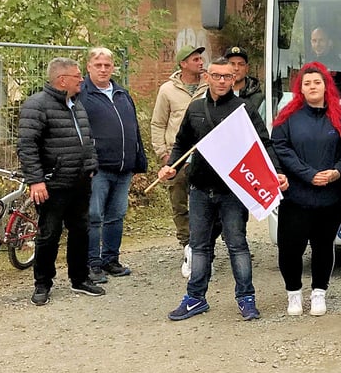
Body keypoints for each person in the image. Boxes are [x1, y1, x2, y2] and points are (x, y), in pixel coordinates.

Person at [159, 58, 287, 321]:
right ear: (207, 76)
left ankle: (246, 298)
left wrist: (276, 171)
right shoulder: (195, 109)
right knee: (199, 246)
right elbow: (182, 143)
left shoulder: (243, 110)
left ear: (234, 78)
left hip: (233, 191)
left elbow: (263, 144)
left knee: (237, 245)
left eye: (227, 76)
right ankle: (195, 298)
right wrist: (171, 165)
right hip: (200, 189)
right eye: (216, 75)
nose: (221, 81)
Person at [18, 57, 103, 305]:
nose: (82, 80)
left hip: (79, 182)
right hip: (52, 184)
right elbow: (27, 146)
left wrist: (91, 165)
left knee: (80, 230)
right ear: (62, 79)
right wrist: (35, 181)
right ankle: (42, 283)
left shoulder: (76, 105)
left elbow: (87, 139)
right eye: (78, 76)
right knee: (49, 234)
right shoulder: (37, 105)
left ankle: (80, 279)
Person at [271, 62, 341, 316]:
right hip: (296, 194)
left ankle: (319, 292)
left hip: (332, 194)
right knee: (290, 246)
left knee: (323, 244)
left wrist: (337, 171)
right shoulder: (287, 116)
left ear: (326, 85)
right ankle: (294, 293)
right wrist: (308, 174)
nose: (313, 86)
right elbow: (280, 148)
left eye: (317, 82)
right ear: (300, 88)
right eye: (307, 83)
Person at [79, 47, 147, 283]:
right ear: (88, 67)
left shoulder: (121, 93)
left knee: (116, 215)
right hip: (97, 169)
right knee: (94, 216)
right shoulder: (82, 96)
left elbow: (134, 130)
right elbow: (78, 134)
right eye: (98, 65)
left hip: (123, 167)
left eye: (107, 65)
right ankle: (92, 264)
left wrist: (138, 160)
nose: (103, 69)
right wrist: (86, 164)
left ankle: (110, 259)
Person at [151, 45, 208, 276]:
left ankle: (203, 247)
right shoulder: (167, 90)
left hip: (205, 158)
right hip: (178, 157)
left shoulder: (209, 87)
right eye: (195, 59)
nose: (201, 62)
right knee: (179, 203)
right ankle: (187, 245)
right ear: (183, 63)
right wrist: (164, 155)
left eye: (201, 58)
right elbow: (157, 123)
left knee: (205, 202)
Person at [309, 26, 341, 99]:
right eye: (314, 41)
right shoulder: (309, 66)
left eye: (321, 40)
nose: (317, 45)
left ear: (330, 43)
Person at [225, 46, 265, 115]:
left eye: (241, 64)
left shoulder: (258, 99)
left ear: (247, 68)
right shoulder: (215, 94)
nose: (236, 68)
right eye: (232, 64)